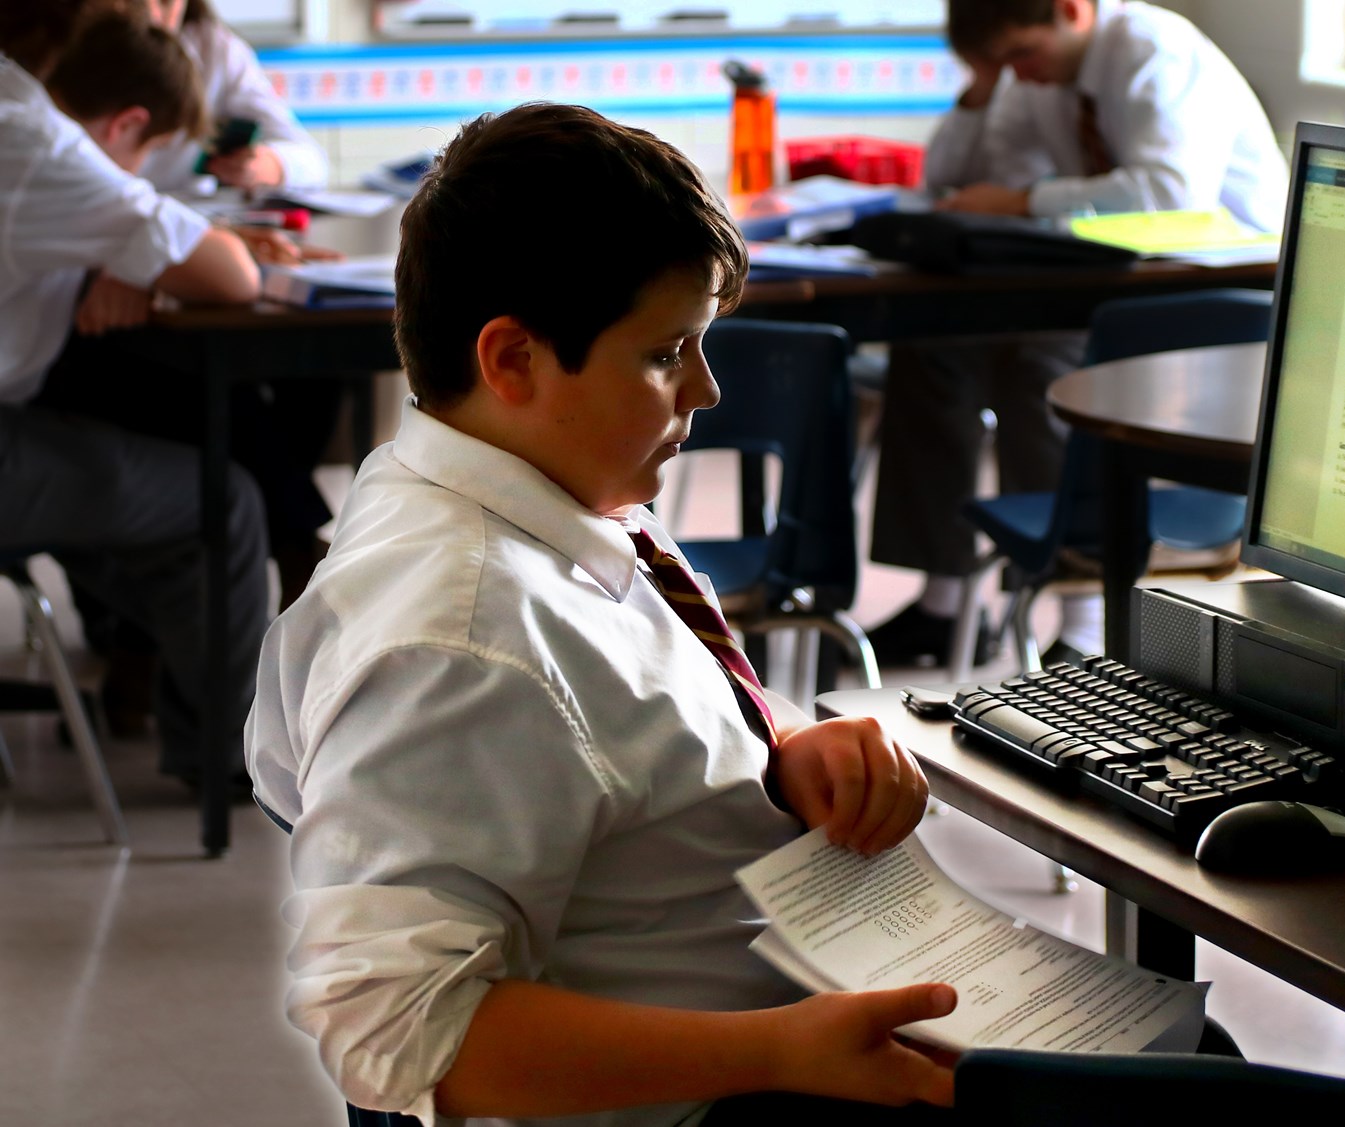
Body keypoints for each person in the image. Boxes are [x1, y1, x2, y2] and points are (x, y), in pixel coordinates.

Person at [246, 102, 959, 1126]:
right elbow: (398, 1033)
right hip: (719, 1093)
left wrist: (785, 749)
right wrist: (780, 1051)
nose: (706, 390)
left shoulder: (549, 489)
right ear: (514, 360)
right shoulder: (457, 633)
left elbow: (616, 738)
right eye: (668, 353)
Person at [867, 0, 1285, 665]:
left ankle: (1088, 611)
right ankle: (942, 601)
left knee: (1049, 363)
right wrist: (980, 90)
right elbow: (959, 181)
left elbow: (1174, 195)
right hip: (1109, 281)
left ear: (1072, 10)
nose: (1017, 76)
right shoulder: (1036, 78)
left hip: (1212, 285)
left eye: (1020, 55)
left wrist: (1029, 201)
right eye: (998, 64)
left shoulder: (1155, 52)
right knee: (933, 350)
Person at [0, 0, 270, 787]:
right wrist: (133, 247)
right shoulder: (38, 142)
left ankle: (141, 689)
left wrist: (124, 250)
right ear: (126, 126)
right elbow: (232, 274)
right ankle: (228, 763)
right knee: (221, 504)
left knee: (138, 479)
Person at [140, 0, 326, 194]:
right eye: (132, 2)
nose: (151, 16)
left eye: (165, 2)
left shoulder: (215, 50)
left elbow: (313, 162)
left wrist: (268, 164)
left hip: (188, 211)